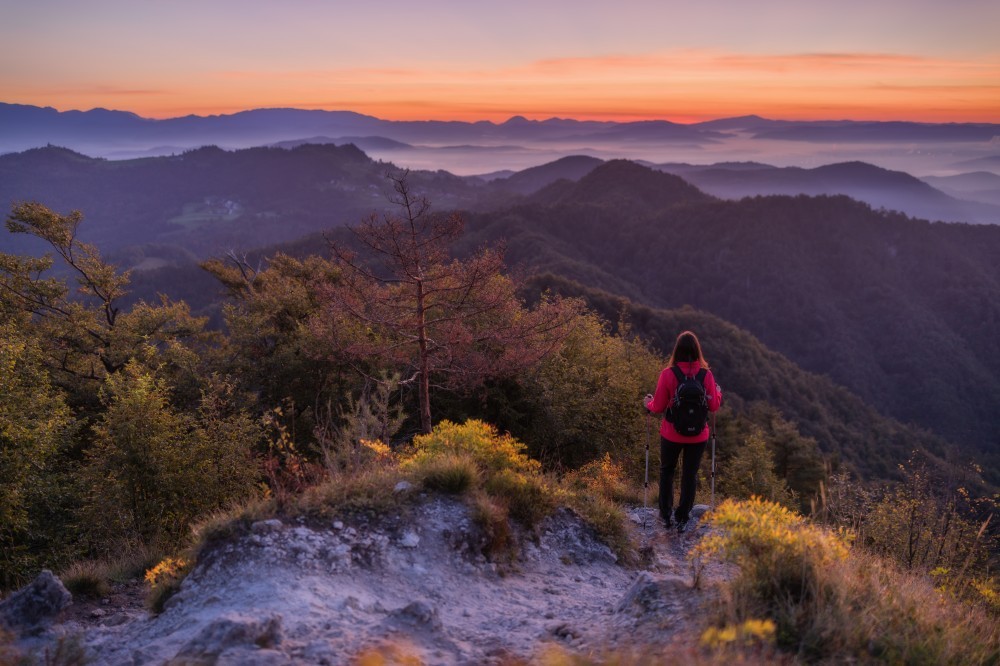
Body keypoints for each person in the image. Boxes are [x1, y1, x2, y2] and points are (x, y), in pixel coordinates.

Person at [644, 330, 722, 533]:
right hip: (698, 435)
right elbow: (713, 407)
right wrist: (718, 395)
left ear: (676, 350)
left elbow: (659, 406)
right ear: (698, 351)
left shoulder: (668, 374)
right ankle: (683, 516)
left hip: (671, 433)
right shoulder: (706, 375)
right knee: (690, 474)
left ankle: (665, 513)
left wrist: (647, 403)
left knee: (667, 471)